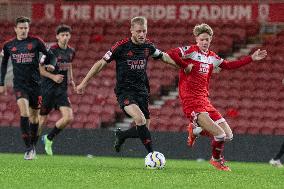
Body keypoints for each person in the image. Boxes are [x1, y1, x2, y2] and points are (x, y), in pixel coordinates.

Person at [167, 23, 267, 171]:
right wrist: (184, 65)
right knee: (219, 134)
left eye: (207, 39)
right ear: (196, 39)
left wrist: (251, 58)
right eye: (202, 39)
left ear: (211, 39)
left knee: (228, 135)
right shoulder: (191, 51)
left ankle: (195, 130)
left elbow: (229, 65)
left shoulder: (212, 57)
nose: (205, 42)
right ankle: (216, 160)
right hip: (191, 102)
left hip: (205, 101)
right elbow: (171, 53)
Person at [76, 16, 181, 154]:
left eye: (144, 31)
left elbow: (163, 56)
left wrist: (181, 66)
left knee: (144, 128)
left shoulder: (148, 46)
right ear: (131, 30)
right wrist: (84, 83)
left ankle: (122, 135)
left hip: (142, 91)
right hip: (125, 91)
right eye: (139, 31)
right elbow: (101, 63)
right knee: (140, 119)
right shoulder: (121, 46)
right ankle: (152, 155)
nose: (142, 34)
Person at [0, 16, 54, 160]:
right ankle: (28, 148)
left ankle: (33, 146)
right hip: (20, 85)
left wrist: (51, 65)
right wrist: (1, 83)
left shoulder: (36, 42)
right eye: (21, 28)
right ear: (15, 29)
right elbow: (4, 64)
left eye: (26, 28)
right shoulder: (8, 45)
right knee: (24, 113)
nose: (23, 30)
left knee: (35, 118)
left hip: (36, 85)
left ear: (28, 29)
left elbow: (51, 55)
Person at [39, 24, 76, 156]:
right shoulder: (51, 51)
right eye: (62, 35)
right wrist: (53, 76)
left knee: (68, 117)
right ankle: (31, 146)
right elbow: (40, 68)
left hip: (61, 91)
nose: (65, 37)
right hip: (48, 90)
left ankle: (48, 138)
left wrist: (71, 80)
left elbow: (69, 65)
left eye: (67, 35)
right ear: (57, 37)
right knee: (42, 120)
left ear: (70, 36)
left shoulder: (71, 51)